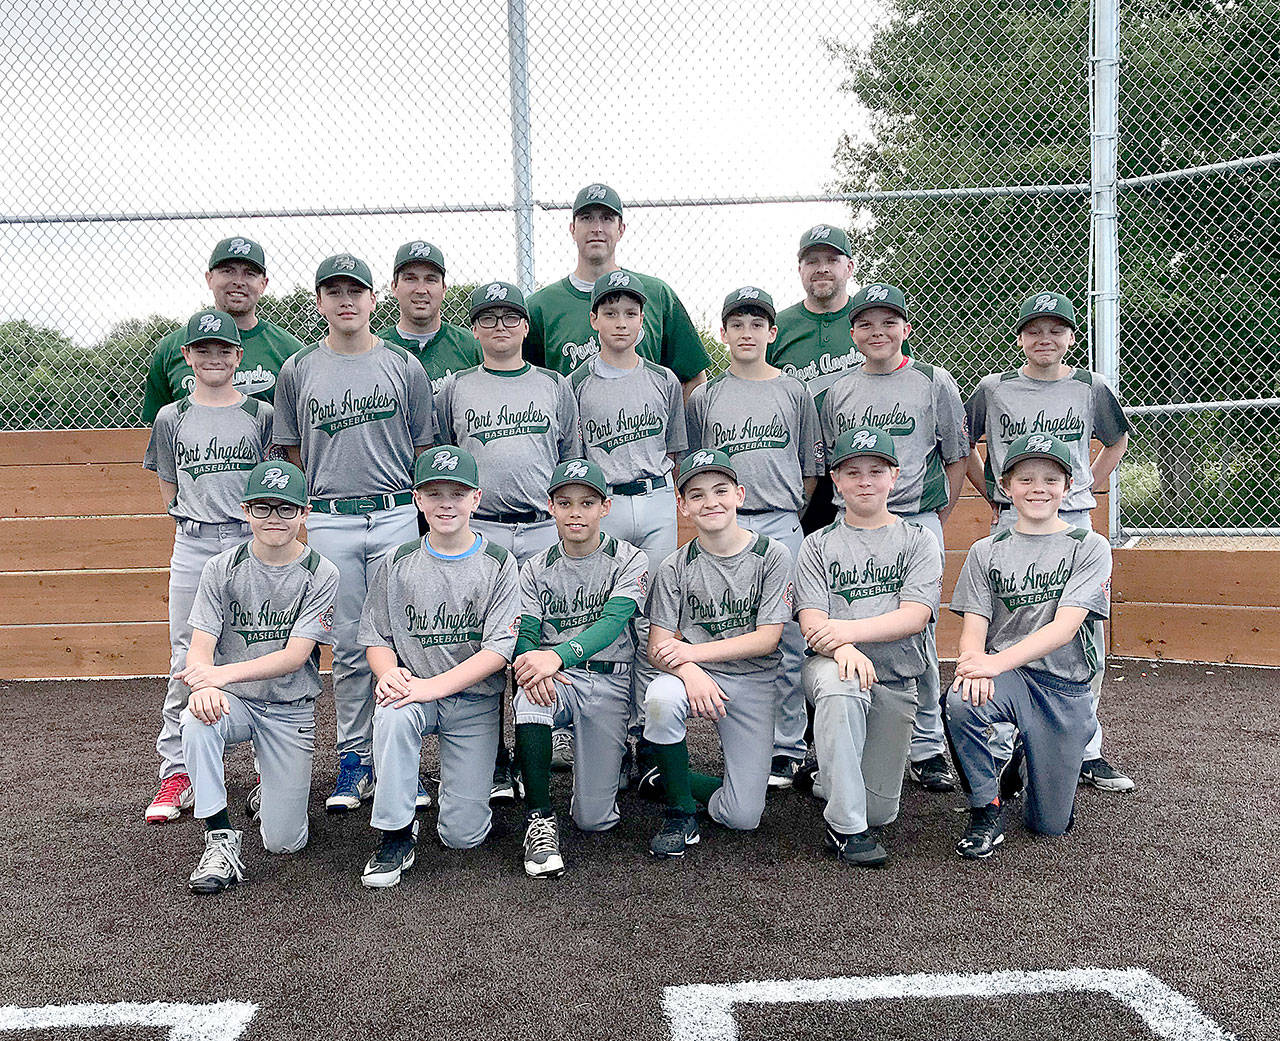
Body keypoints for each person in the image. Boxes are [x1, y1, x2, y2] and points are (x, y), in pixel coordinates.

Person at [272, 253, 436, 814]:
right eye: (333, 290)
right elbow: (292, 452)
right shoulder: (297, 369)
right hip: (330, 516)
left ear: (374, 299)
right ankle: (354, 757)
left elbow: (423, 450)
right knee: (345, 645)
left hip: (392, 512)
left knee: (399, 638)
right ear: (318, 301)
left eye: (355, 290)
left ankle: (400, 760)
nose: (346, 299)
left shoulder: (404, 367)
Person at [965, 292, 1132, 791]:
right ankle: (1001, 745)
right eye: (1035, 329)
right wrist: (991, 491)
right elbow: (964, 444)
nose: (1045, 338)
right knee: (1007, 624)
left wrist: (1087, 485)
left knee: (1084, 638)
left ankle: (1084, 748)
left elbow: (1116, 440)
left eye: (1056, 330)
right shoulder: (993, 389)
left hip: (1073, 519)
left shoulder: (1090, 386)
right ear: (1019, 337)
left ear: (1071, 338)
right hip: (1013, 517)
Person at [819, 283, 971, 794]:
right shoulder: (837, 389)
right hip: (851, 523)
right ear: (853, 333)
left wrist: (937, 517)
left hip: (914, 518)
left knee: (918, 636)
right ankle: (847, 734)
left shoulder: (932, 379)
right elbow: (830, 463)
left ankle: (927, 746)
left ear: (906, 328)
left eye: (889, 322)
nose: (877, 331)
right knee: (846, 620)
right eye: (865, 323)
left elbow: (956, 454)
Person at [435, 281, 581, 800]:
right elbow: (442, 462)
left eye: (510, 317)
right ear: (473, 329)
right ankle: (493, 755)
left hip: (542, 523)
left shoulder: (554, 385)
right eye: (488, 317)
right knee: (483, 639)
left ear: (525, 327)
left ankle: (536, 744)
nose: (500, 325)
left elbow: (570, 457)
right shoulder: (453, 388)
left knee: (541, 638)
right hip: (484, 527)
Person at [357, 446, 521, 888]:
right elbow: (376, 637)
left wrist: (430, 688)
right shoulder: (398, 560)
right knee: (391, 712)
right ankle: (395, 832)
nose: (446, 503)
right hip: (414, 694)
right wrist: (387, 672)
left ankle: (457, 792)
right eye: (434, 493)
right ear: (418, 500)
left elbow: (497, 653)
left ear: (476, 499)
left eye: (457, 492)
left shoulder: (500, 563)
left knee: (462, 837)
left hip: (473, 702)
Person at [946, 432, 1113, 858]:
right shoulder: (987, 550)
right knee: (962, 701)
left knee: (1049, 826)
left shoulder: (1089, 546)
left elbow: (1064, 629)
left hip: (1063, 686)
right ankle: (986, 807)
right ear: (1005, 486)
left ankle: (1027, 757)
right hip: (1012, 677)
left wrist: (992, 663)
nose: (1038, 488)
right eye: (1025, 479)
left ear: (1069, 485)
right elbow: (975, 623)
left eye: (1050, 479)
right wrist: (972, 665)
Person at [177, 461, 338, 892]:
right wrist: (204, 684)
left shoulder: (322, 572)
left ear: (305, 513)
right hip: (238, 703)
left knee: (286, 842)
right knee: (194, 722)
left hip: (289, 708)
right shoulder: (220, 568)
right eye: (263, 507)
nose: (274, 519)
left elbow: (294, 656)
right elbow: (200, 646)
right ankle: (219, 839)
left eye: (286, 509)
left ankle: (269, 790)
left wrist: (216, 676)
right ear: (245, 510)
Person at [685, 286, 823, 788]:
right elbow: (698, 470)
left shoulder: (794, 390)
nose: (747, 333)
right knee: (730, 632)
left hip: (780, 520)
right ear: (722, 334)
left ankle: (786, 745)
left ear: (772, 332)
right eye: (737, 324)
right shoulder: (706, 396)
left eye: (756, 324)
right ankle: (741, 743)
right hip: (724, 526)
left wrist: (789, 508)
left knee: (786, 639)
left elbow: (811, 466)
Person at [142, 309, 273, 824]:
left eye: (225, 349)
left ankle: (267, 768)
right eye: (204, 349)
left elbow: (272, 480)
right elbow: (169, 487)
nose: (214, 357)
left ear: (239, 356)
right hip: (195, 541)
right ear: (187, 356)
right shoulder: (172, 416)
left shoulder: (259, 415)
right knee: (185, 655)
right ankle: (179, 769)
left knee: (258, 645)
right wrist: (194, 524)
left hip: (250, 540)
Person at [795, 427, 940, 867]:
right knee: (843, 686)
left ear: (894, 476)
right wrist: (843, 650)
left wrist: (846, 634)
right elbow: (811, 622)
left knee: (881, 810)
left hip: (895, 679)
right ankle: (844, 829)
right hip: (831, 668)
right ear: (835, 480)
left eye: (876, 471)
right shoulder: (817, 544)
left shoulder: (918, 539)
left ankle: (827, 779)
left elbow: (914, 616)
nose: (864, 481)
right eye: (851, 471)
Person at [642, 450, 795, 857]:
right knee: (660, 697)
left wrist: (692, 655)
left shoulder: (773, 555)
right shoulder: (676, 566)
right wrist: (689, 671)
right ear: (682, 505)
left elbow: (768, 639)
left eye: (721, 491)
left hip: (753, 679)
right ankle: (680, 812)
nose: (710, 502)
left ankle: (667, 777)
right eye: (697, 495)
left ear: (740, 495)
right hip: (697, 675)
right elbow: (658, 646)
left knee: (743, 816)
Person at [568, 271, 686, 778]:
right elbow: (572, 458)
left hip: (656, 499)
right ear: (593, 320)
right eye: (610, 312)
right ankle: (607, 736)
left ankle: (647, 739)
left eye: (631, 313)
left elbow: (677, 453)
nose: (621, 322)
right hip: (606, 505)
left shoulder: (663, 380)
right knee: (609, 621)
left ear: (644, 321)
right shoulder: (573, 384)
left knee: (652, 620)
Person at [510, 459, 649, 877]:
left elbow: (611, 625)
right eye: (565, 502)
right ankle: (539, 820)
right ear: (550, 507)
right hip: (558, 679)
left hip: (609, 679)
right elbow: (526, 634)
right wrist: (533, 665)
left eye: (587, 502)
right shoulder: (534, 567)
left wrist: (556, 656)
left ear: (605, 507)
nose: (576, 512)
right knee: (529, 699)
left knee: (594, 820)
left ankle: (620, 758)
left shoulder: (630, 558)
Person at [523, 183, 709, 397]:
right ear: (572, 229)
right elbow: (524, 385)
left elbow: (693, 378)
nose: (597, 228)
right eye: (586, 218)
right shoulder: (541, 306)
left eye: (607, 218)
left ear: (621, 230)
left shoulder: (656, 294)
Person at [142, 237, 302, 423]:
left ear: (263, 284)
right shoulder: (172, 347)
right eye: (228, 272)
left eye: (249, 274)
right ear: (209, 279)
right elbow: (157, 427)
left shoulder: (289, 350)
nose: (238, 281)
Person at [769, 225, 860, 534]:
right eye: (812, 261)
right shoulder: (778, 326)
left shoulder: (872, 319)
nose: (822, 268)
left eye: (832, 260)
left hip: (858, 463)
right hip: (797, 468)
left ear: (849, 267)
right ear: (799, 269)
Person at [375, 240, 481, 393]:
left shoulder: (471, 346)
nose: (421, 290)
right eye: (410, 279)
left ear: (443, 289)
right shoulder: (376, 349)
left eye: (431, 279)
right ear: (394, 287)